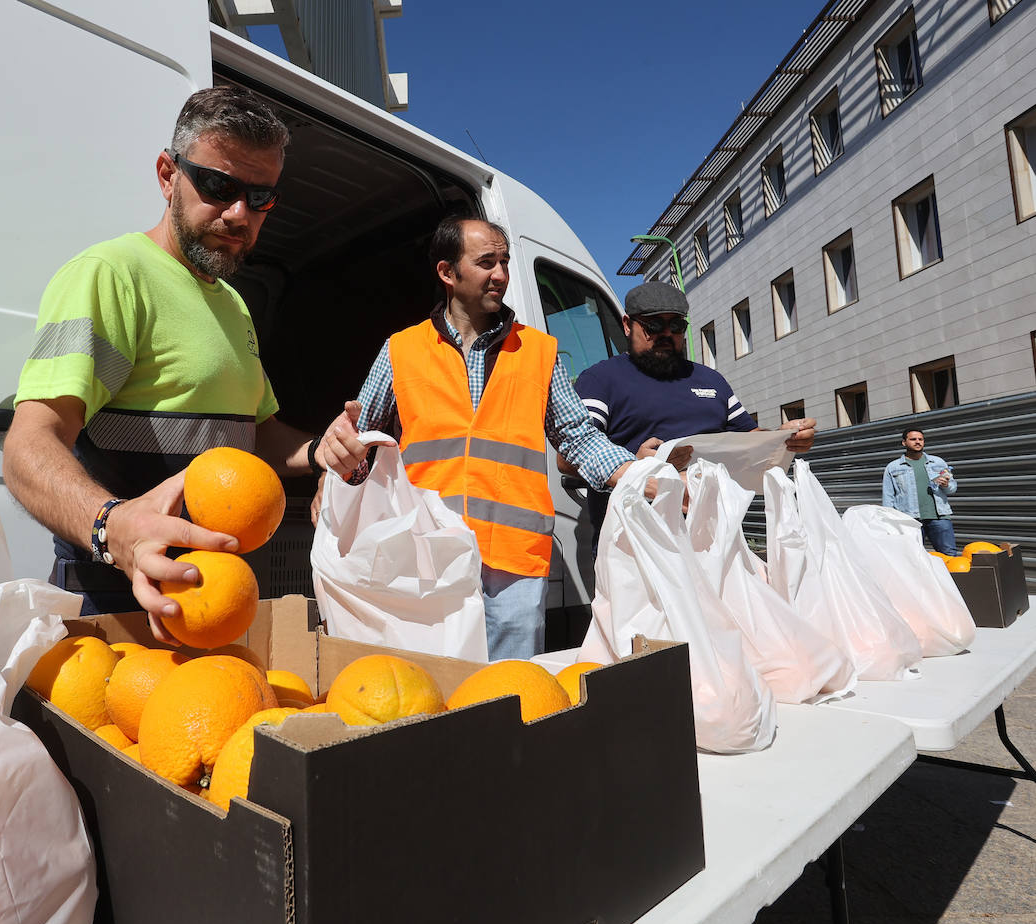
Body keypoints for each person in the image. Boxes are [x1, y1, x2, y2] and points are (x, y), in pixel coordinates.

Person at [3, 87, 351, 634]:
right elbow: (28, 446)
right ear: (168, 175)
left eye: (261, 198)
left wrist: (319, 451)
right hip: (118, 607)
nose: (239, 213)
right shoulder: (111, 275)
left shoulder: (232, 303)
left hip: (218, 600)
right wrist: (111, 528)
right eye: (219, 186)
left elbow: (254, 433)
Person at [317, 215, 648, 660]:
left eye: (505, 262)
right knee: (437, 691)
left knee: (511, 698)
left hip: (513, 565)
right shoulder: (401, 350)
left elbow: (578, 438)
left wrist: (636, 475)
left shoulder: (539, 351)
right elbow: (360, 444)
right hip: (428, 556)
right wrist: (337, 468)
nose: (501, 275)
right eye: (486, 262)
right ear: (447, 273)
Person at [571, 280, 816, 545]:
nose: (666, 334)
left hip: (715, 543)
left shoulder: (712, 381)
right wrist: (632, 464)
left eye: (676, 326)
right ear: (628, 325)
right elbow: (569, 458)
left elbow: (751, 438)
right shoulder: (600, 380)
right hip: (633, 545)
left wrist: (783, 438)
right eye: (654, 326)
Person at [882, 428, 958, 555]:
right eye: (913, 439)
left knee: (949, 555)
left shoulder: (937, 462)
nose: (917, 442)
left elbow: (952, 488)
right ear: (904, 443)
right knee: (912, 557)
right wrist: (890, 522)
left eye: (920, 439)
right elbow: (888, 498)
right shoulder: (893, 467)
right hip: (909, 520)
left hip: (939, 518)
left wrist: (946, 485)